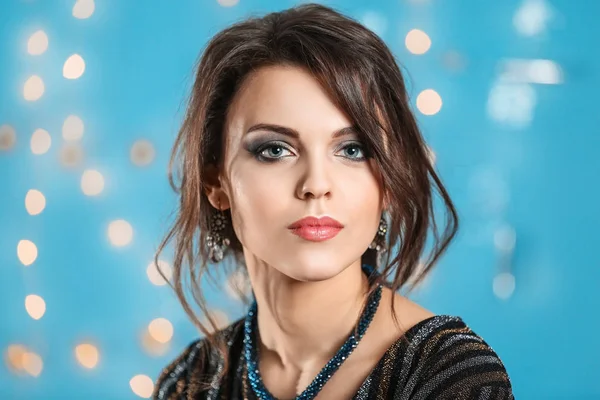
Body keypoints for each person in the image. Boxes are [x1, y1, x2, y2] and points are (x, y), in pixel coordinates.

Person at [152, 3, 513, 399]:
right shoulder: (190, 381)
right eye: (275, 150)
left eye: (353, 149)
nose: (316, 185)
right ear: (215, 182)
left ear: (389, 181)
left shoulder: (449, 377)